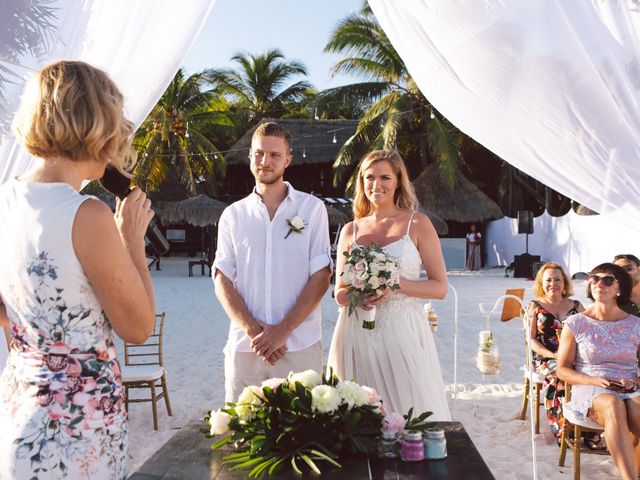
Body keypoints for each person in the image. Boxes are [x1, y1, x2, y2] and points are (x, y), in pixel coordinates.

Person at [0, 61, 155, 479]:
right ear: (94, 124)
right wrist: (132, 239)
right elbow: (138, 328)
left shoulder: (4, 200)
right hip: (78, 429)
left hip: (20, 412)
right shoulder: (87, 215)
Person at [326, 149, 450, 420]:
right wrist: (359, 296)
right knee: (356, 416)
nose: (376, 184)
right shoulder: (350, 230)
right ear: (361, 182)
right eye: (369, 177)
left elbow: (439, 287)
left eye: (384, 177)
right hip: (354, 332)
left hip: (402, 331)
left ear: (397, 181)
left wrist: (394, 284)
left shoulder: (417, 224)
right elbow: (339, 293)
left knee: (409, 415)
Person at [213, 122, 332, 403]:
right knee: (241, 435)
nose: (265, 161)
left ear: (287, 160)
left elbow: (322, 276)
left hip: (299, 345)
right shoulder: (232, 215)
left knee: (303, 434)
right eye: (259, 153)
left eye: (275, 155)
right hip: (246, 346)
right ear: (250, 156)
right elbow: (222, 279)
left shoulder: (312, 209)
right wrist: (256, 332)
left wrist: (283, 330)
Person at [558, 263, 640, 480]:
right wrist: (592, 380)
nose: (599, 284)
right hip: (590, 386)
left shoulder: (635, 324)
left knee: (637, 412)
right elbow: (562, 370)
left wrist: (636, 381)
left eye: (607, 280)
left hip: (629, 386)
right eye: (594, 278)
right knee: (613, 405)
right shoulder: (576, 323)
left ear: (619, 288)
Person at [527, 262, 585, 443]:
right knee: (558, 377)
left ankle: (586, 428)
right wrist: (553, 356)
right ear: (541, 283)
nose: (553, 284)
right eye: (549, 280)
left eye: (558, 279)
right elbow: (531, 339)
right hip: (546, 357)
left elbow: (588, 333)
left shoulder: (576, 306)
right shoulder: (535, 305)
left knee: (588, 377)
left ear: (565, 282)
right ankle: (563, 429)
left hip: (574, 356)